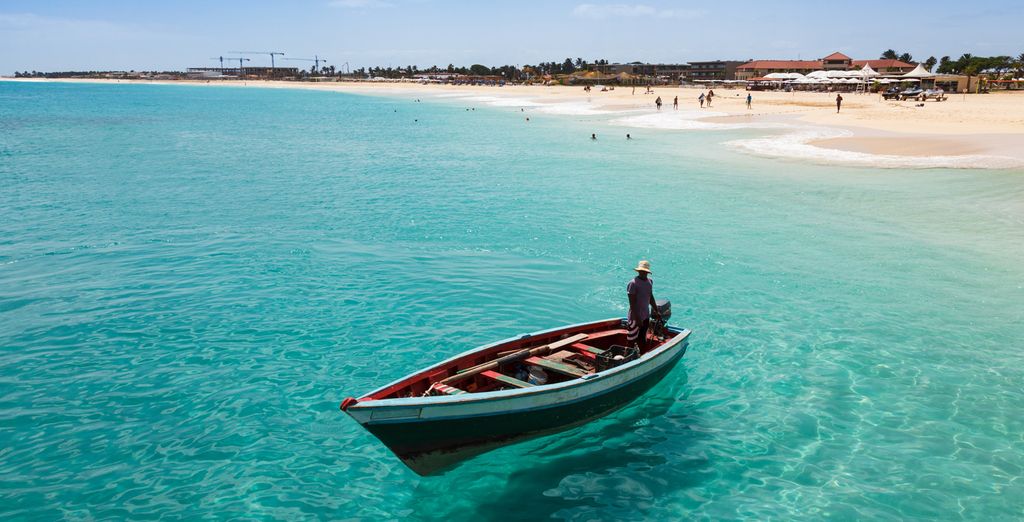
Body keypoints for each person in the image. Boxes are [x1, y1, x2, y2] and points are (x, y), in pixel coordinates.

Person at [627, 260, 661, 350]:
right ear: (638, 271)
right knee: (632, 339)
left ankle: (641, 355)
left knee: (642, 338)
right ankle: (628, 357)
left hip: (645, 316)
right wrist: (637, 318)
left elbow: (650, 297)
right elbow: (632, 304)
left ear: (647, 272)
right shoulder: (633, 284)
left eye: (645, 271)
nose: (643, 273)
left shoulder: (650, 282)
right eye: (641, 271)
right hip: (635, 318)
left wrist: (656, 310)